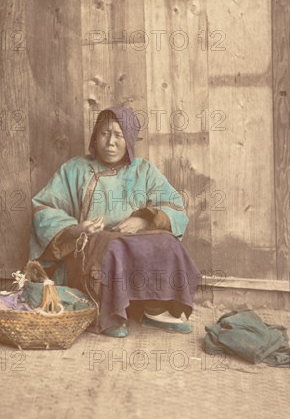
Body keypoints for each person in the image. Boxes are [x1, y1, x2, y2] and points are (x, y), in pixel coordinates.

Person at [29, 106, 202, 337]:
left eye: (119, 135)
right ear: (95, 136)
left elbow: (175, 207)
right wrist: (76, 228)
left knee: (167, 242)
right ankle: (107, 312)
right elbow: (44, 207)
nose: (110, 142)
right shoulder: (75, 169)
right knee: (114, 247)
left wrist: (143, 219)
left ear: (129, 140)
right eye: (104, 133)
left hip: (134, 239)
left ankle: (155, 308)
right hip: (91, 246)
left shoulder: (144, 170)